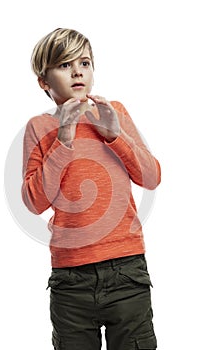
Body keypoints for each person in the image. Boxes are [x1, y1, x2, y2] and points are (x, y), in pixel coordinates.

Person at [21, 28, 161, 350]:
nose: (77, 72)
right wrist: (64, 139)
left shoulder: (113, 113)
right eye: (65, 64)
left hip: (126, 269)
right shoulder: (38, 128)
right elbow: (33, 201)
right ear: (44, 81)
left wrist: (115, 135)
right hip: (70, 280)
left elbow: (151, 177)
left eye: (84, 63)